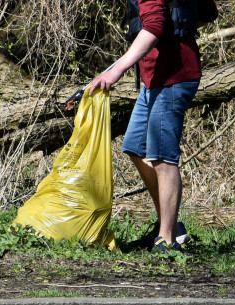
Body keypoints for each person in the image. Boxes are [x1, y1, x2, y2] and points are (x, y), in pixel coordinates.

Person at [89, 0, 218, 251]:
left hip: (173, 77)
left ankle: (167, 241)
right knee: (136, 146)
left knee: (162, 156)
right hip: (155, 78)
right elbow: (207, 13)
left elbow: (154, 28)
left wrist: (115, 71)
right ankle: (170, 228)